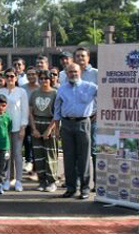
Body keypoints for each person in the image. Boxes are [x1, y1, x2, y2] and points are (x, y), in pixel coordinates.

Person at [54, 63, 97, 200]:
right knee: (69, 158)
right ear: (66, 74)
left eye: (75, 72)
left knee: (84, 157)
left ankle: (85, 189)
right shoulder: (62, 89)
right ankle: (71, 188)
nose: (73, 74)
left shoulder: (90, 87)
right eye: (70, 72)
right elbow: (57, 109)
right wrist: (56, 128)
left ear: (80, 72)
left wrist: (100, 113)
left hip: (83, 123)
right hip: (66, 124)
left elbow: (106, 97)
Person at [0, 67, 29, 192]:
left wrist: (23, 127)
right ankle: (6, 180)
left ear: (16, 78)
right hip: (3, 129)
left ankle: (19, 181)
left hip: (17, 128)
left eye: (12, 76)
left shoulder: (21, 92)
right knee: (6, 155)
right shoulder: (0, 91)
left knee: (17, 155)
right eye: (7, 76)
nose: (10, 78)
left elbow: (24, 110)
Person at [29, 70, 58, 192]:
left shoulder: (55, 93)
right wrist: (34, 128)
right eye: (41, 78)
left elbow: (57, 113)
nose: (43, 81)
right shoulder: (34, 93)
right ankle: (42, 181)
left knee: (50, 155)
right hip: (37, 123)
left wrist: (49, 129)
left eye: (46, 78)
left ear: (50, 79)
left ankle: (52, 182)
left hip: (49, 123)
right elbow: (30, 112)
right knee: (39, 155)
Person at [74, 46, 98, 190]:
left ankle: (97, 182)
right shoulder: (70, 74)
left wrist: (99, 112)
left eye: (83, 56)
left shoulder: (96, 73)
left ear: (88, 58)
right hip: (77, 119)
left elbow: (103, 94)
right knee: (78, 152)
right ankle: (78, 181)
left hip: (93, 118)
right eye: (78, 56)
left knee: (95, 151)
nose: (80, 59)